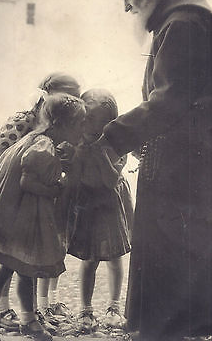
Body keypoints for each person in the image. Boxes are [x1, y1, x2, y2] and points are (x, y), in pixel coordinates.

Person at [96, 0, 212, 341]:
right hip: (188, 157)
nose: (127, 8)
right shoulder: (181, 18)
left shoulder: (182, 23)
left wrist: (114, 137)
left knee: (172, 253)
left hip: (186, 163)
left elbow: (170, 99)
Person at [0, 73, 81, 331]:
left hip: (26, 211)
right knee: (7, 262)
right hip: (11, 206)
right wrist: (55, 187)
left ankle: (28, 319)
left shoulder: (45, 135)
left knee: (25, 265)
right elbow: (22, 175)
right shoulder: (33, 133)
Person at [68, 89, 133, 334]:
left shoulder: (117, 144)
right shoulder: (77, 140)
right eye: (86, 122)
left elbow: (109, 179)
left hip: (109, 202)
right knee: (89, 258)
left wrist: (97, 151)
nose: (91, 130)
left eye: (99, 125)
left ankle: (114, 307)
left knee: (116, 256)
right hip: (88, 204)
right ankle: (85, 309)